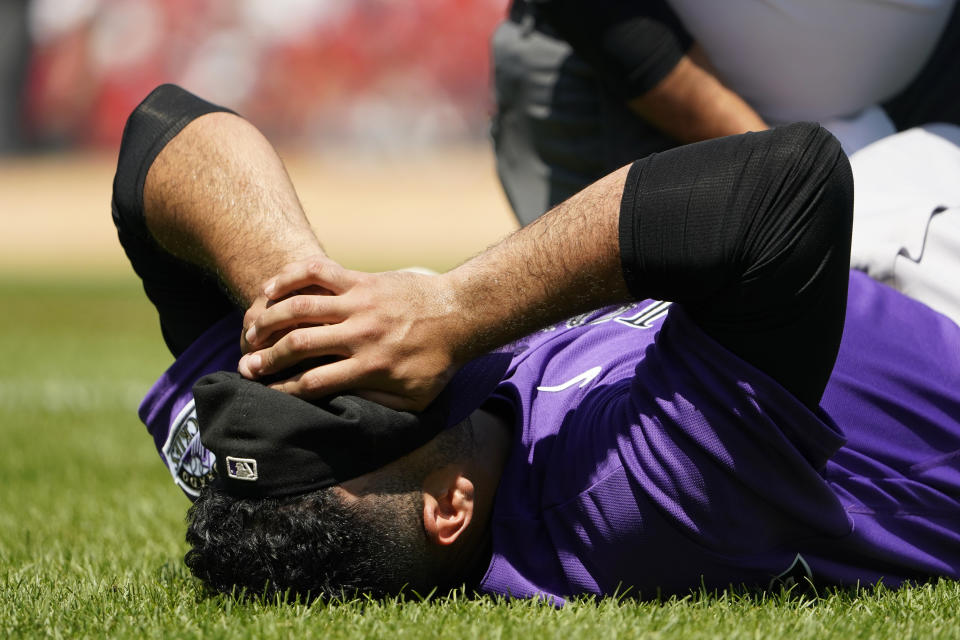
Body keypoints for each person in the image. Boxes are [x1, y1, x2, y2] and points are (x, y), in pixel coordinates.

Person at [115, 85, 960, 603]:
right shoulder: (631, 507)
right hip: (929, 283)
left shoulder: (257, 474)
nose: (342, 358)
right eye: (353, 396)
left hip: (863, 234)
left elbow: (159, 135)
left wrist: (292, 284)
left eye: (299, 369)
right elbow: (787, 185)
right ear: (450, 507)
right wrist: (451, 311)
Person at [493, 0, 960, 225]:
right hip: (628, 89)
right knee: (615, 370)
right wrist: (794, 176)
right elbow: (600, 18)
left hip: (912, 116)